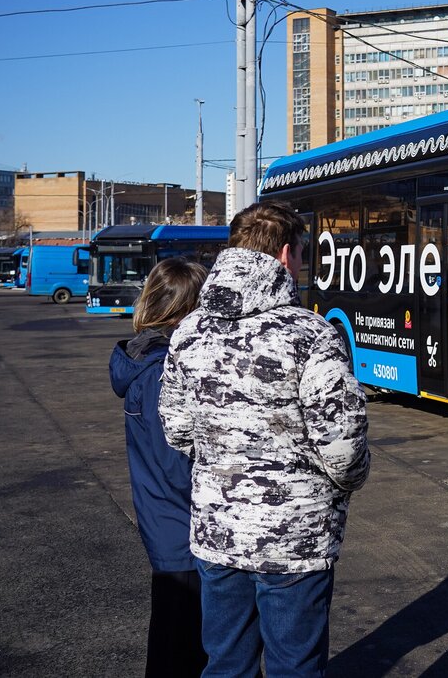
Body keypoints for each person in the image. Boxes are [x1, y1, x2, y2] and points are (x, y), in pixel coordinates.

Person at [159, 201, 370, 677]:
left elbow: (176, 428)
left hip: (218, 530)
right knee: (294, 666)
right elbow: (342, 443)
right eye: (301, 254)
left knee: (225, 662)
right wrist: (346, 482)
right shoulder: (311, 334)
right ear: (284, 255)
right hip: (295, 536)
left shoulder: (189, 331)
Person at [110, 256, 210, 678]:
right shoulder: (162, 373)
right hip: (183, 533)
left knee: (184, 647)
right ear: (186, 312)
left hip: (166, 524)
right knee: (185, 651)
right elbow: (177, 464)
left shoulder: (142, 361)